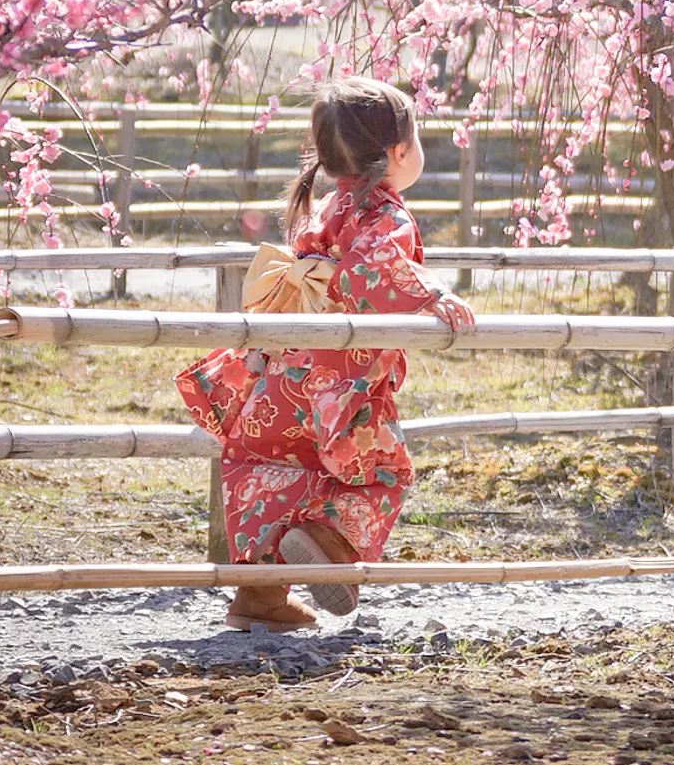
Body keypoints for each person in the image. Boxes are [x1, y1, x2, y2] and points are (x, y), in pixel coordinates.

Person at [175, 79, 475, 632]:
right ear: (398, 152)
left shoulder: (322, 207)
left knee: (271, 473)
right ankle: (326, 543)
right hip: (339, 383)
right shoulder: (387, 214)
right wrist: (436, 293)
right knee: (382, 474)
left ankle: (258, 598)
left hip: (281, 373)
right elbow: (375, 272)